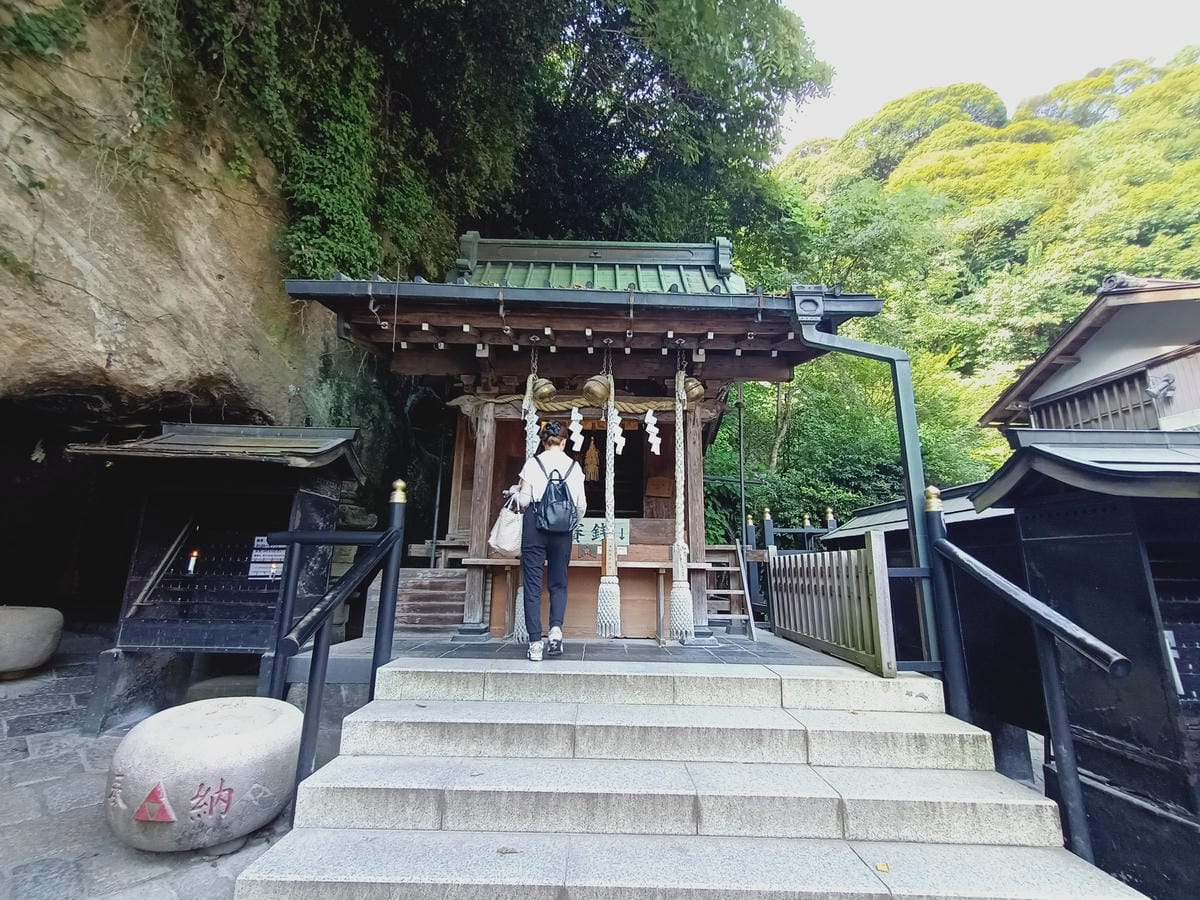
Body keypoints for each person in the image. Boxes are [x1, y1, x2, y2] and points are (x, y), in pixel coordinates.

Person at [510, 421, 586, 661]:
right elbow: (581, 505)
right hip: (563, 529)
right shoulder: (574, 467)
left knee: (532, 585)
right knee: (558, 582)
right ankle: (555, 632)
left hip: (535, 526)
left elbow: (523, 501)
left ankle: (535, 643)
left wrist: (515, 492)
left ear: (543, 441)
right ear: (564, 441)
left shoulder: (532, 464)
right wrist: (570, 520)